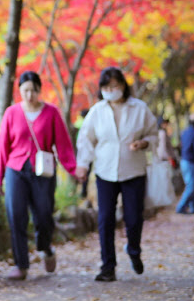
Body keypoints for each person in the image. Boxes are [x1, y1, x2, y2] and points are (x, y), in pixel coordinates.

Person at [75, 66, 158, 282]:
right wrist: (82, 164)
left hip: (134, 171)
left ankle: (133, 250)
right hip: (105, 171)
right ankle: (107, 266)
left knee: (133, 218)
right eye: (106, 87)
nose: (111, 90)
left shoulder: (140, 108)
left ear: (123, 85)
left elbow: (153, 133)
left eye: (115, 86)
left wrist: (144, 143)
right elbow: (86, 139)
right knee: (105, 219)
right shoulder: (97, 111)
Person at [0, 71, 77, 280]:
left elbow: (64, 145)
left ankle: (45, 247)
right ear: (20, 91)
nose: (29, 95)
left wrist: (73, 169)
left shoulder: (52, 113)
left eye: (33, 90)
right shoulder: (12, 113)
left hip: (43, 171)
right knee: (16, 216)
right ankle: (21, 265)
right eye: (25, 91)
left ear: (40, 90)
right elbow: (2, 146)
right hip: (16, 170)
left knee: (43, 215)